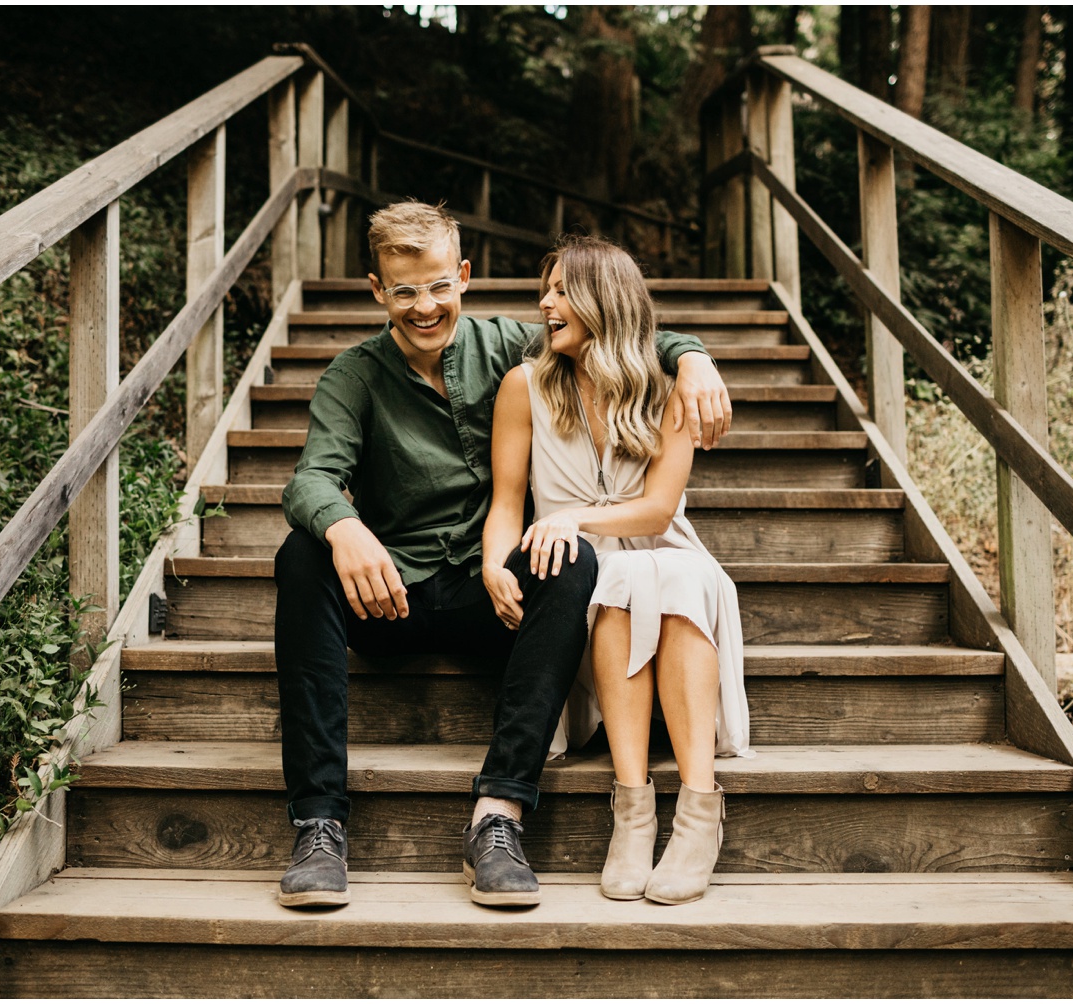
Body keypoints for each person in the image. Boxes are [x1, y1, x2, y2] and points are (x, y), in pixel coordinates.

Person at [275, 202, 732, 909]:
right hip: (388, 596)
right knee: (302, 554)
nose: (424, 307)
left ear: (462, 276)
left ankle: (499, 817)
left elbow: (611, 323)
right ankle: (318, 824)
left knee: (572, 560)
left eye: (436, 286)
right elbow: (309, 476)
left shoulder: (511, 346)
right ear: (377, 291)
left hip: (492, 600)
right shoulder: (354, 376)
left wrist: (693, 354)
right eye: (403, 292)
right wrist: (344, 526)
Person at [482, 235, 750, 907]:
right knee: (617, 580)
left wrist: (574, 518)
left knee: (672, 575)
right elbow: (507, 504)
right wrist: (494, 563)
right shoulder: (525, 387)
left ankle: (698, 808)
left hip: (661, 559)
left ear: (605, 301)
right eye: (545, 290)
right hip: (574, 580)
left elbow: (659, 510)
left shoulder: (670, 390)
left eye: (562, 290)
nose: (545, 303)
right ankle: (632, 812)